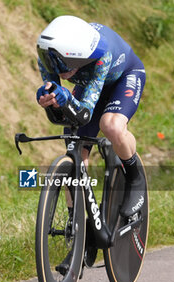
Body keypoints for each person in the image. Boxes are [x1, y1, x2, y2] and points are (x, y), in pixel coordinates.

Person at [36, 15, 146, 217]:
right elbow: (58, 99)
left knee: (111, 125)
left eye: (63, 63)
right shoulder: (49, 57)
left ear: (79, 56)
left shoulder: (102, 56)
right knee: (75, 146)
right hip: (91, 86)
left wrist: (67, 99)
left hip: (125, 77)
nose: (58, 71)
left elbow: (85, 111)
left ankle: (135, 179)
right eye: (54, 64)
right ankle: (77, 222)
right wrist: (50, 99)